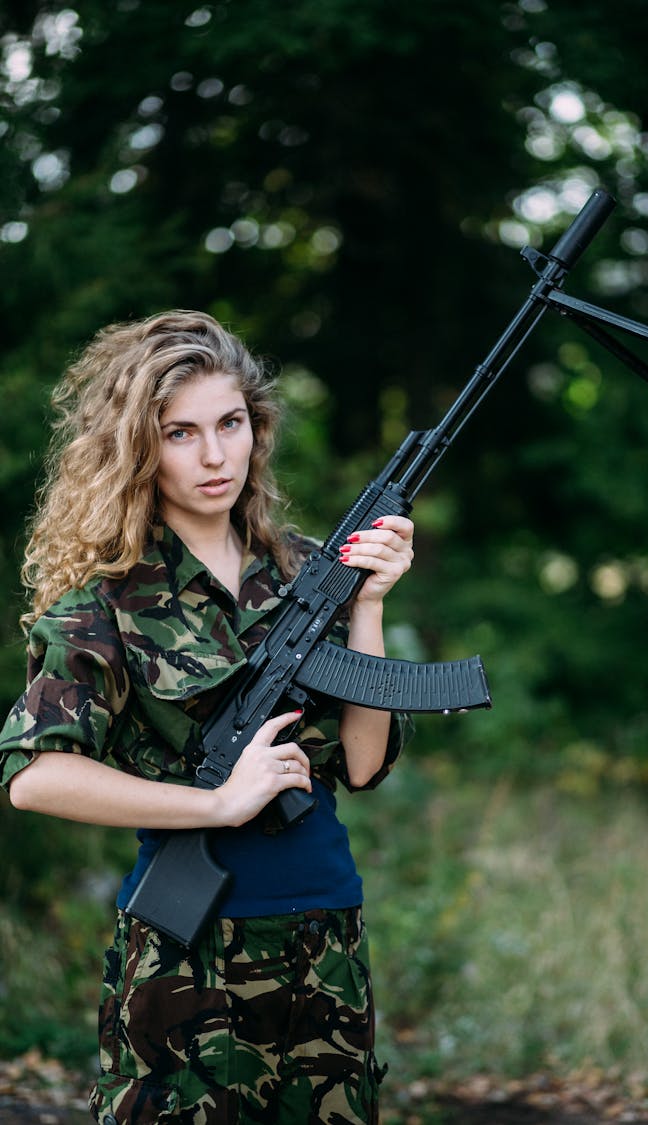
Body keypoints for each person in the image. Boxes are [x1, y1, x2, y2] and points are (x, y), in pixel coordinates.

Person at [0, 309, 415, 1124]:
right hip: (188, 962)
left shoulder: (306, 572)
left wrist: (366, 606)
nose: (215, 454)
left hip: (322, 939)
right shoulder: (106, 601)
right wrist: (217, 804)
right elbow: (34, 776)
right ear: (139, 447)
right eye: (181, 432)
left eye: (230, 424)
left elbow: (362, 764)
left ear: (256, 428)